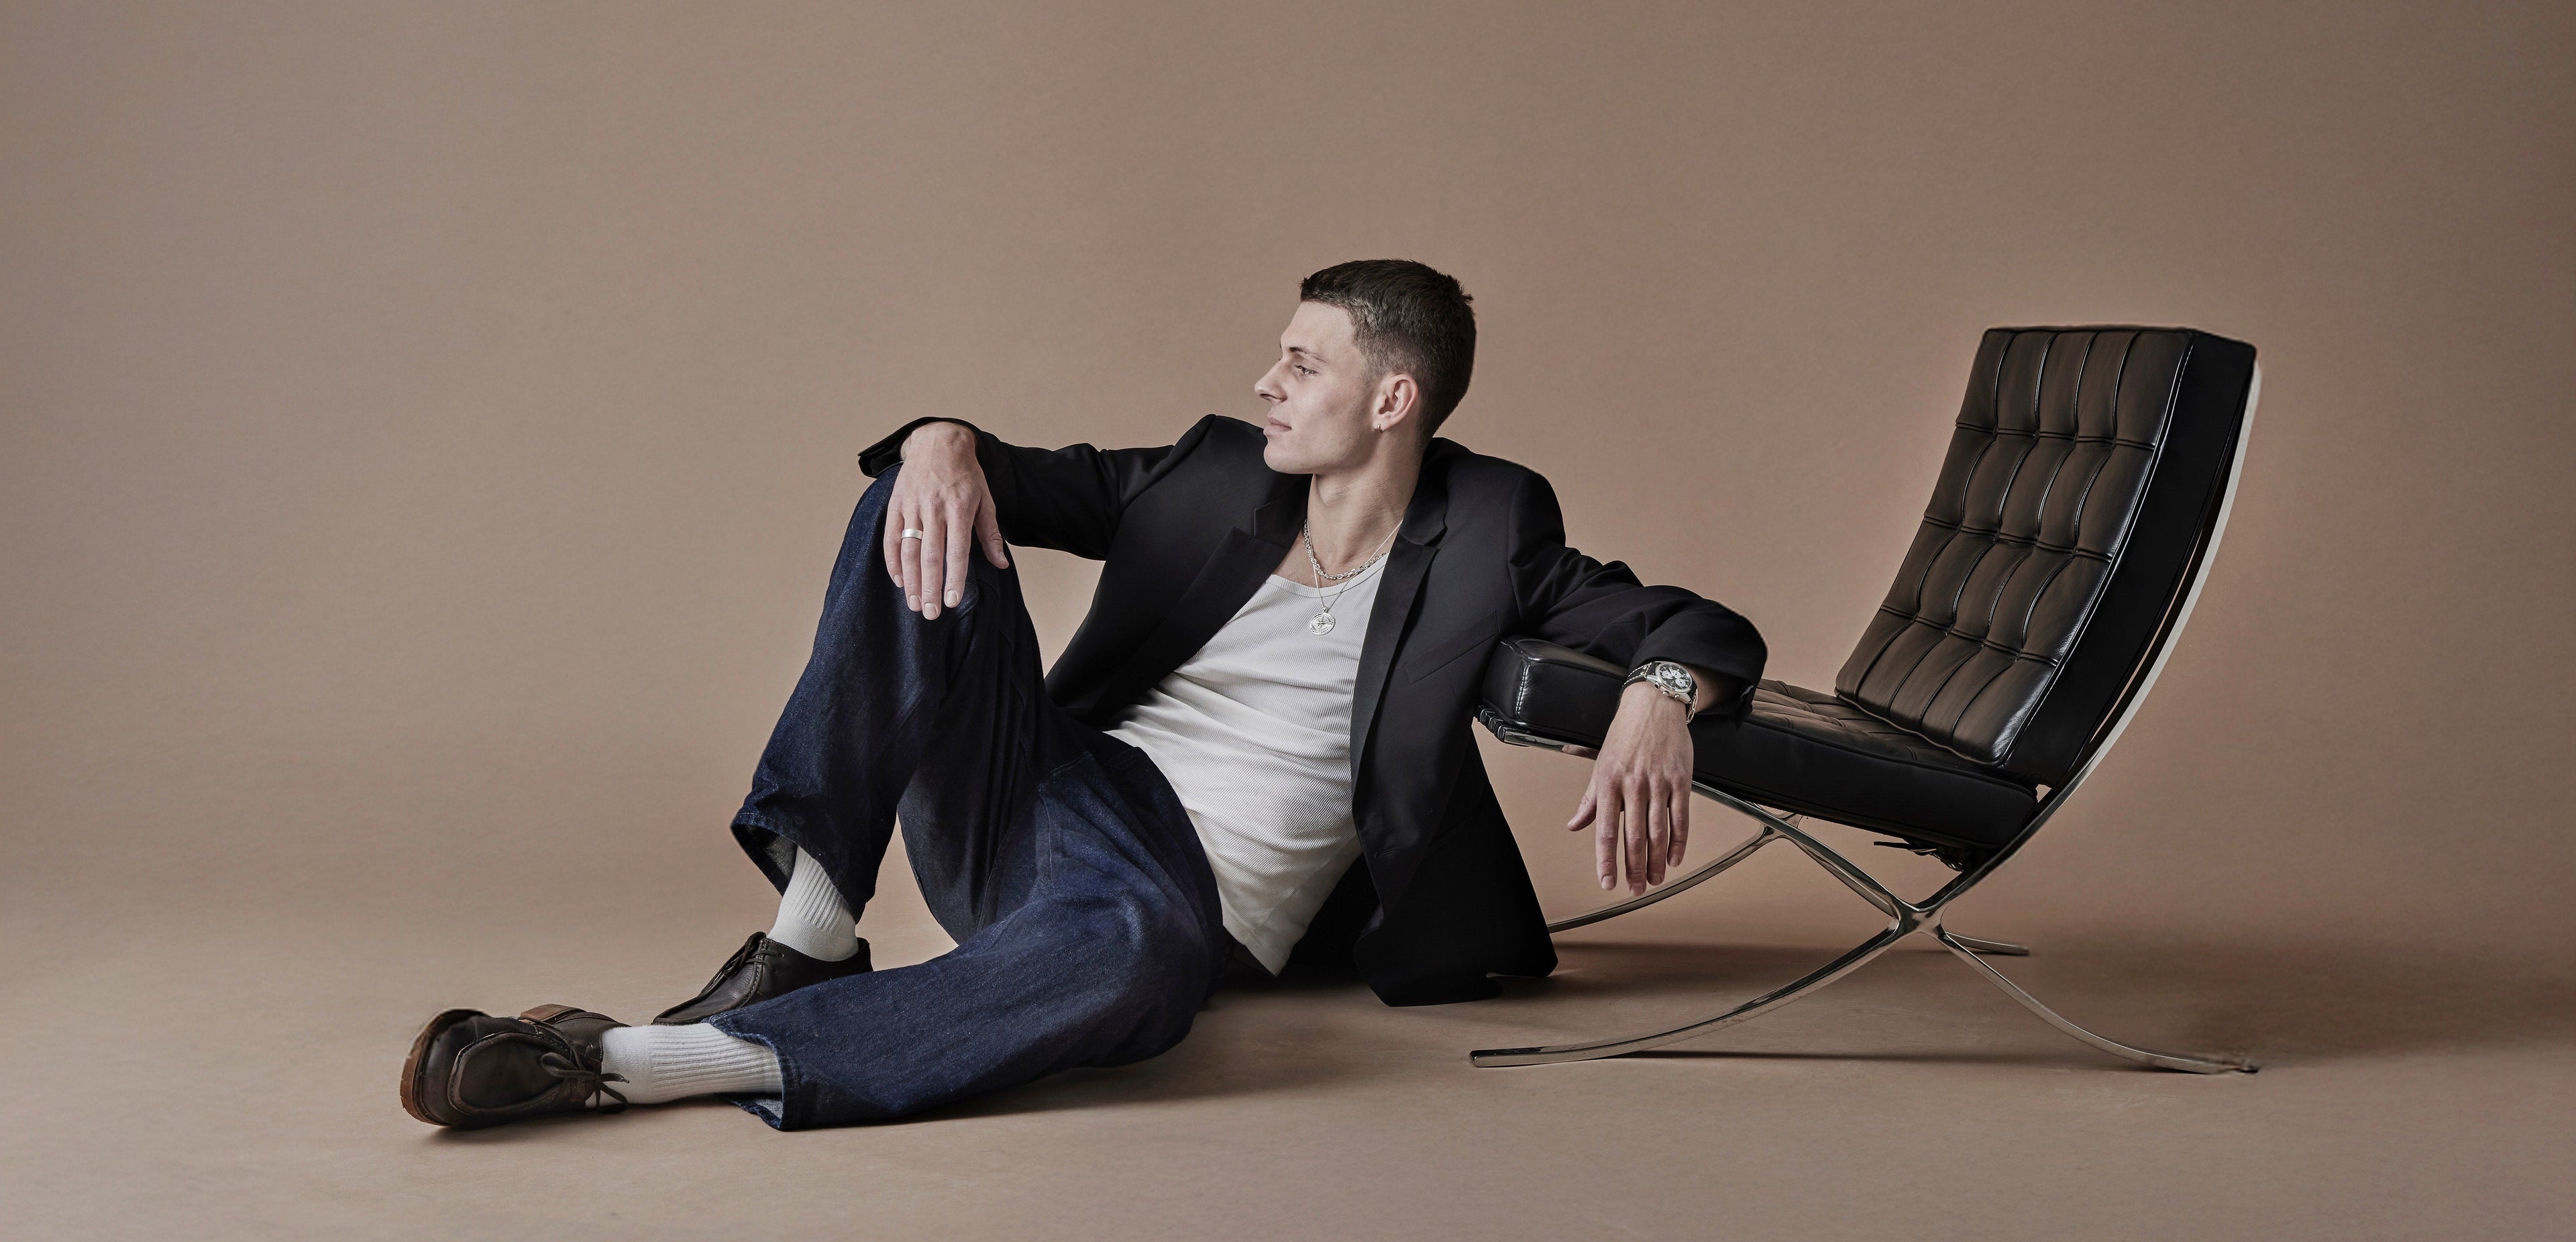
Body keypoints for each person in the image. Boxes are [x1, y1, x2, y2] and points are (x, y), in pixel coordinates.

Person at [398, 260, 1766, 1131]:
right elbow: (1001, 471)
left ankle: (620, 1063)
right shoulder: (1219, 469)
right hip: (1044, 789)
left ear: (1395, 396)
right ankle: (808, 935)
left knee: (1137, 966)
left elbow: (1692, 623)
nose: (1266, 382)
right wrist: (937, 443)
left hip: (1174, 896)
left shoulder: (1492, 528)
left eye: (1304, 364)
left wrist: (1657, 688)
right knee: (917, 505)